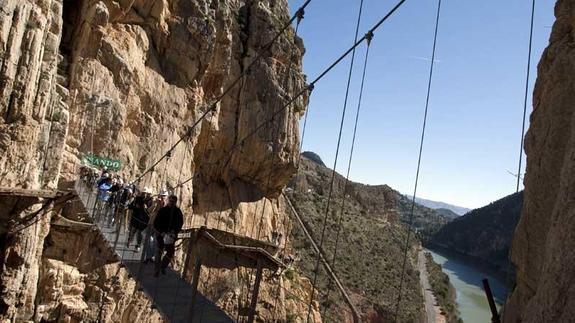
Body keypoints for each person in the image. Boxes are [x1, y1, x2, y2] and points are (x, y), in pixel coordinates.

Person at [152, 195, 184, 276]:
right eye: (171, 201)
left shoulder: (178, 212)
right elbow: (156, 223)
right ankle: (156, 270)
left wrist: (175, 231)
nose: (172, 203)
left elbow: (180, 223)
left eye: (174, 201)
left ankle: (162, 266)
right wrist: (161, 231)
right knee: (159, 251)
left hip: (170, 235)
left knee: (170, 252)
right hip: (161, 234)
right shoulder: (162, 210)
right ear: (168, 201)